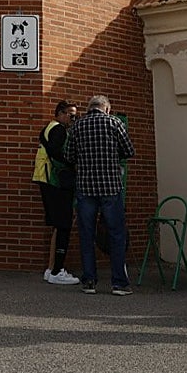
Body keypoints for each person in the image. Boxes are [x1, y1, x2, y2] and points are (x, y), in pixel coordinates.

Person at [63, 94, 135, 296]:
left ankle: (89, 281)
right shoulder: (114, 123)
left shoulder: (78, 126)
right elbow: (129, 150)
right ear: (107, 108)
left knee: (86, 234)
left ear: (89, 108)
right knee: (116, 234)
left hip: (86, 187)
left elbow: (68, 156)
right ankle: (119, 283)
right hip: (111, 186)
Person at [32, 101, 80, 285]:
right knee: (63, 224)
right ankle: (57, 270)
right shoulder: (58, 129)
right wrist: (73, 162)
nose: (73, 119)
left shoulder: (49, 128)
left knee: (57, 225)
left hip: (46, 178)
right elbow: (58, 153)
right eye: (71, 114)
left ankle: (51, 268)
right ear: (61, 113)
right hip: (55, 180)